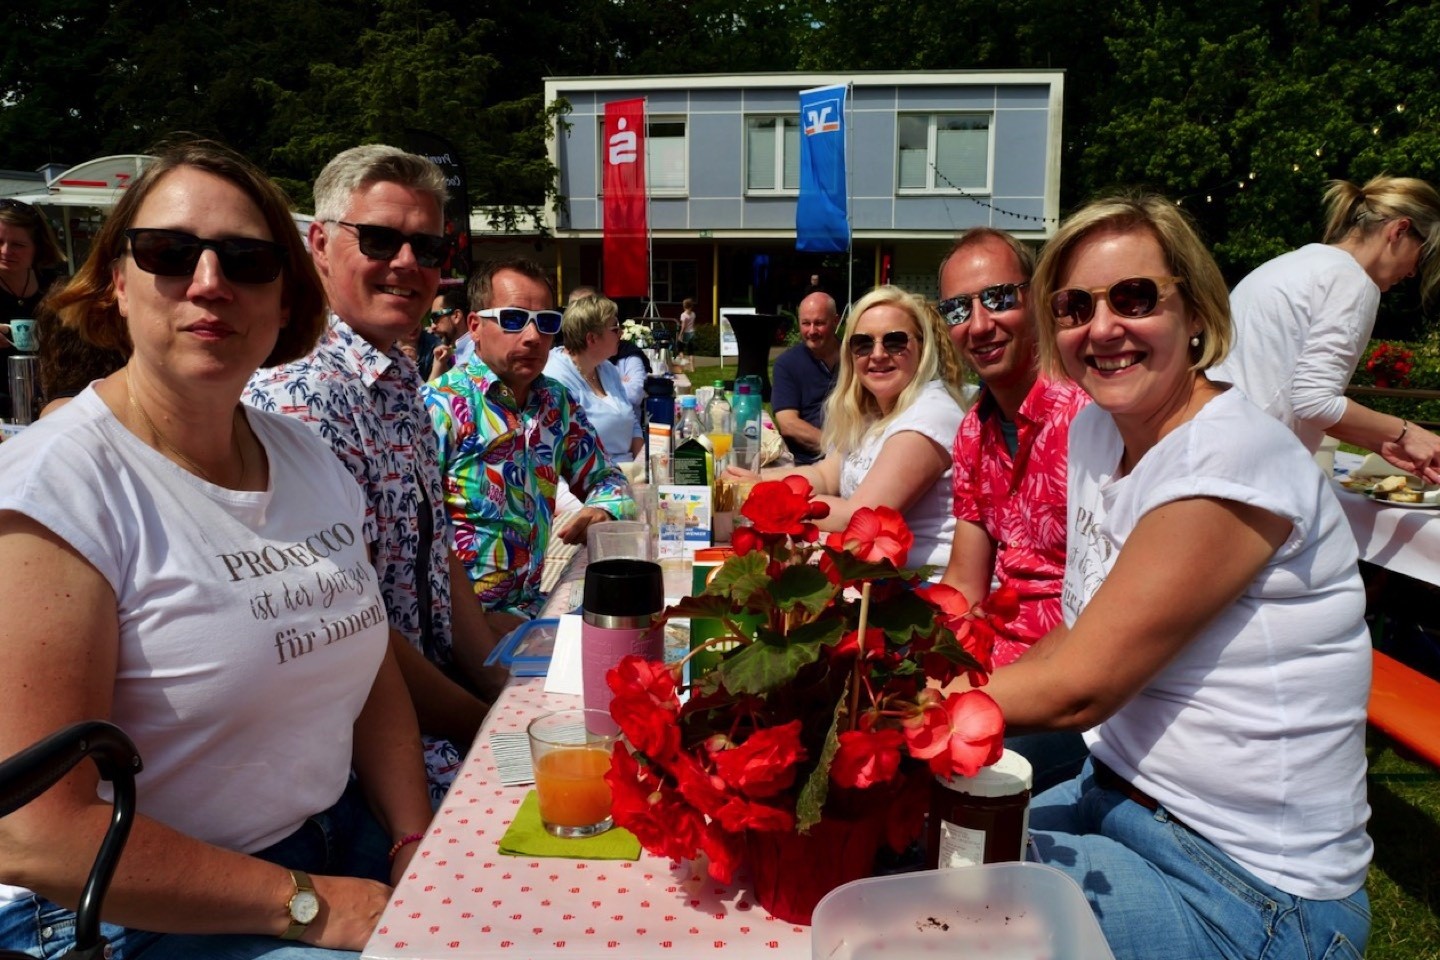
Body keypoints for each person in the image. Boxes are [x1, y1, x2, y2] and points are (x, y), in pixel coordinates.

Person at [0, 140, 432, 957]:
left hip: (342, 843)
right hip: (144, 909)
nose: (209, 282)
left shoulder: (307, 456)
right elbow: (32, 834)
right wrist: (315, 907)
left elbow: (371, 672)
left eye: (247, 259)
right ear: (117, 282)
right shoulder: (56, 489)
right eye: (169, 252)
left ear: (282, 302)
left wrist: (415, 839)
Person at [973, 193, 1372, 960]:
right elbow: (1076, 633)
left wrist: (924, 717)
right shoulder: (1098, 431)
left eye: (1133, 298)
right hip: (1120, 797)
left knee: (948, 924)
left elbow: (1084, 682)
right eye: (1074, 306)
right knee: (928, 858)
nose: (1103, 328)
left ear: (1194, 312)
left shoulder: (1231, 456)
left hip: (1249, 885)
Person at [245, 144, 500, 805]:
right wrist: (488, 725)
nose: (408, 264)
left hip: (430, 723)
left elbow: (438, 561)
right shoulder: (299, 392)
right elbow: (353, 634)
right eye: (382, 240)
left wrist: (503, 695)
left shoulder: (399, 381)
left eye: (429, 248)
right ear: (321, 244)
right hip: (360, 774)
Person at [934, 227, 1091, 792]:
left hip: (1068, 683)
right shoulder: (973, 430)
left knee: (945, 778)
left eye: (998, 298)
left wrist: (974, 693)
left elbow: (1098, 615)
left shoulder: (1088, 418)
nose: (979, 324)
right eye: (958, 308)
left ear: (1037, 301)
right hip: (993, 663)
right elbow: (964, 581)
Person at [423, 257, 635, 630]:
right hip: (457, 630)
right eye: (513, 319)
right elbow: (413, 547)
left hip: (531, 611)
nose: (533, 337)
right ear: (474, 326)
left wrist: (602, 509)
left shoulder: (555, 402)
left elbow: (608, 479)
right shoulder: (439, 408)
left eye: (547, 322)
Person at [1215, 175, 1440, 483]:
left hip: (1214, 447)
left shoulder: (1296, 263)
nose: (1414, 271)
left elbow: (1287, 393)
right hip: (1247, 469)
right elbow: (1314, 403)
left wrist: (1380, 441)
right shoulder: (1354, 282)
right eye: (1423, 255)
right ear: (1399, 230)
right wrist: (1407, 432)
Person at [727, 285, 967, 571]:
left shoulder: (929, 414)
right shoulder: (874, 409)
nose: (877, 354)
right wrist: (752, 479)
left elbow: (858, 516)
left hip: (922, 589)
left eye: (894, 341)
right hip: (876, 575)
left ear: (921, 346)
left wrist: (760, 495)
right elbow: (825, 476)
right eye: (863, 344)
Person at [543, 294, 644, 463]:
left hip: (629, 474)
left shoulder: (607, 369)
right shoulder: (555, 378)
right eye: (614, 329)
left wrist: (643, 470)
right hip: (592, 481)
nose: (621, 333)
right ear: (591, 338)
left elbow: (632, 423)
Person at [1, 198, 67, 418]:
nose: (5, 251)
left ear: (37, 248)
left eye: (18, 245)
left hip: (52, 406)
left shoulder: (56, 288)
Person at [770, 290, 841, 465]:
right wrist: (838, 450)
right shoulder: (787, 364)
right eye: (805, 323)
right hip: (809, 460)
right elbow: (788, 424)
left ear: (836, 321)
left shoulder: (856, 358)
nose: (812, 331)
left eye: (819, 323)